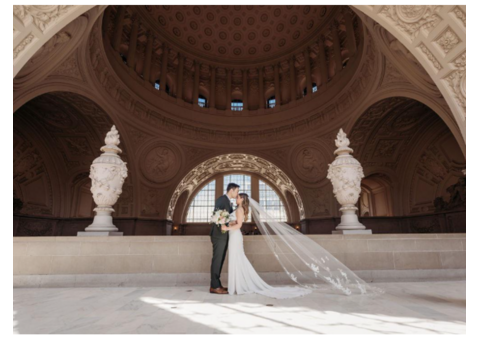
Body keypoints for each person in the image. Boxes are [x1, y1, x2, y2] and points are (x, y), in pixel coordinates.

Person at [222, 193, 386, 299]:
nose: (236, 198)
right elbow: (237, 222)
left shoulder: (239, 210)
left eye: (238, 197)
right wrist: (228, 222)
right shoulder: (239, 209)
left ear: (242, 199)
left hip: (235, 235)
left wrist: (226, 226)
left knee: (238, 258)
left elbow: (239, 225)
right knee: (238, 258)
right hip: (234, 236)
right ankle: (239, 284)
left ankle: (240, 285)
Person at [209, 183, 239, 295]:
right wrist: (226, 223)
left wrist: (230, 222)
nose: (237, 194)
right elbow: (218, 216)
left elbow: (225, 217)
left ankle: (217, 284)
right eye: (236, 191)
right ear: (231, 190)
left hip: (223, 234)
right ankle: (215, 286)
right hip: (218, 235)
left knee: (220, 259)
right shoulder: (222, 200)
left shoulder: (227, 201)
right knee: (217, 259)